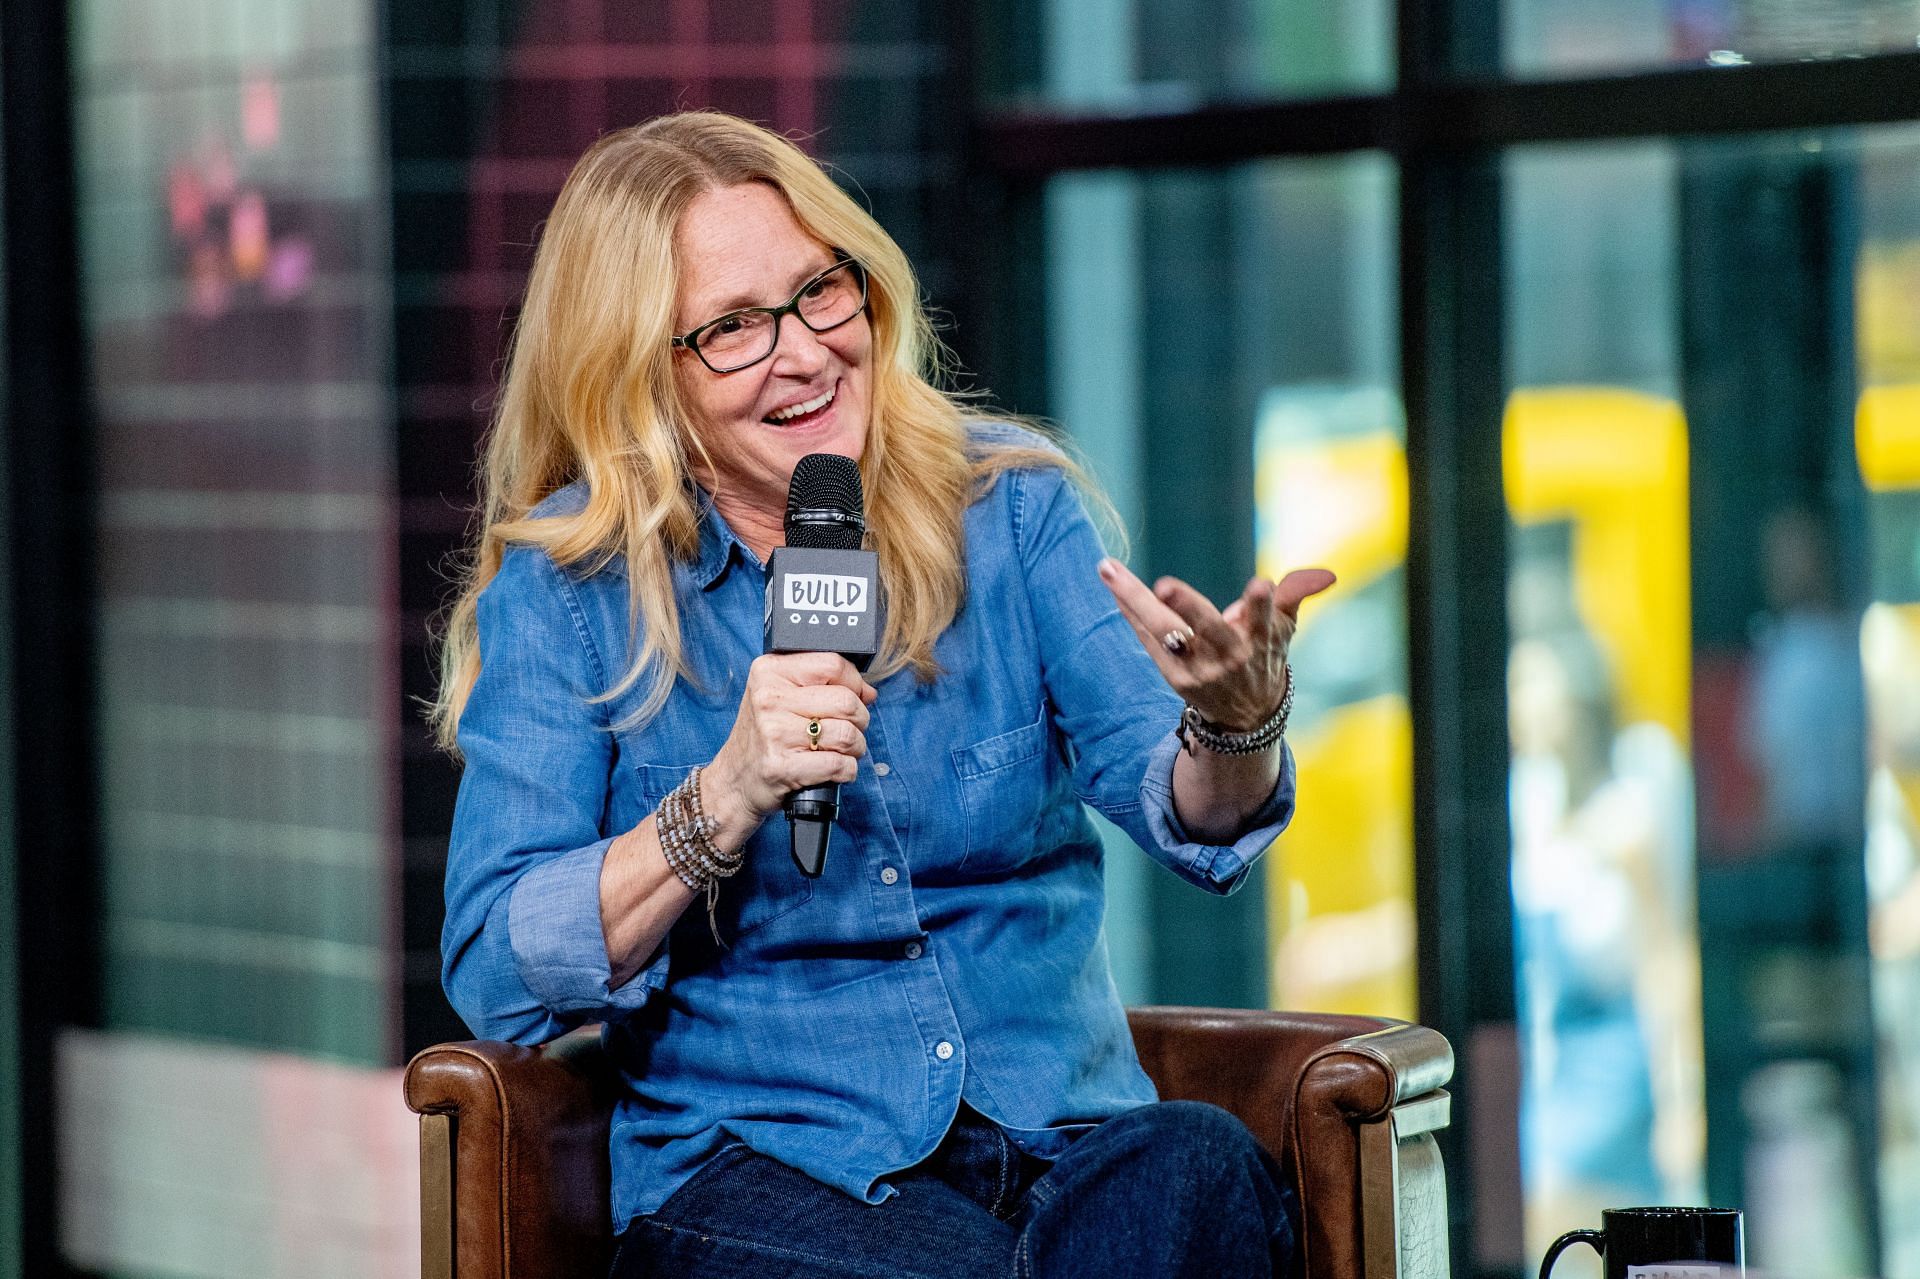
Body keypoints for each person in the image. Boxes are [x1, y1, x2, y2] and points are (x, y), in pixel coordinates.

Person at [432, 111, 1334, 1279]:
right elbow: (496, 969)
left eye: (821, 291)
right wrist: (721, 799)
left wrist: (1234, 720)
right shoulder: (569, 590)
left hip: (1059, 1141)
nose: (805, 351)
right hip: (763, 1172)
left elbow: (1191, 809)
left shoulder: (1005, 507)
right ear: (638, 374)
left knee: (1199, 1163)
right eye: (735, 329)